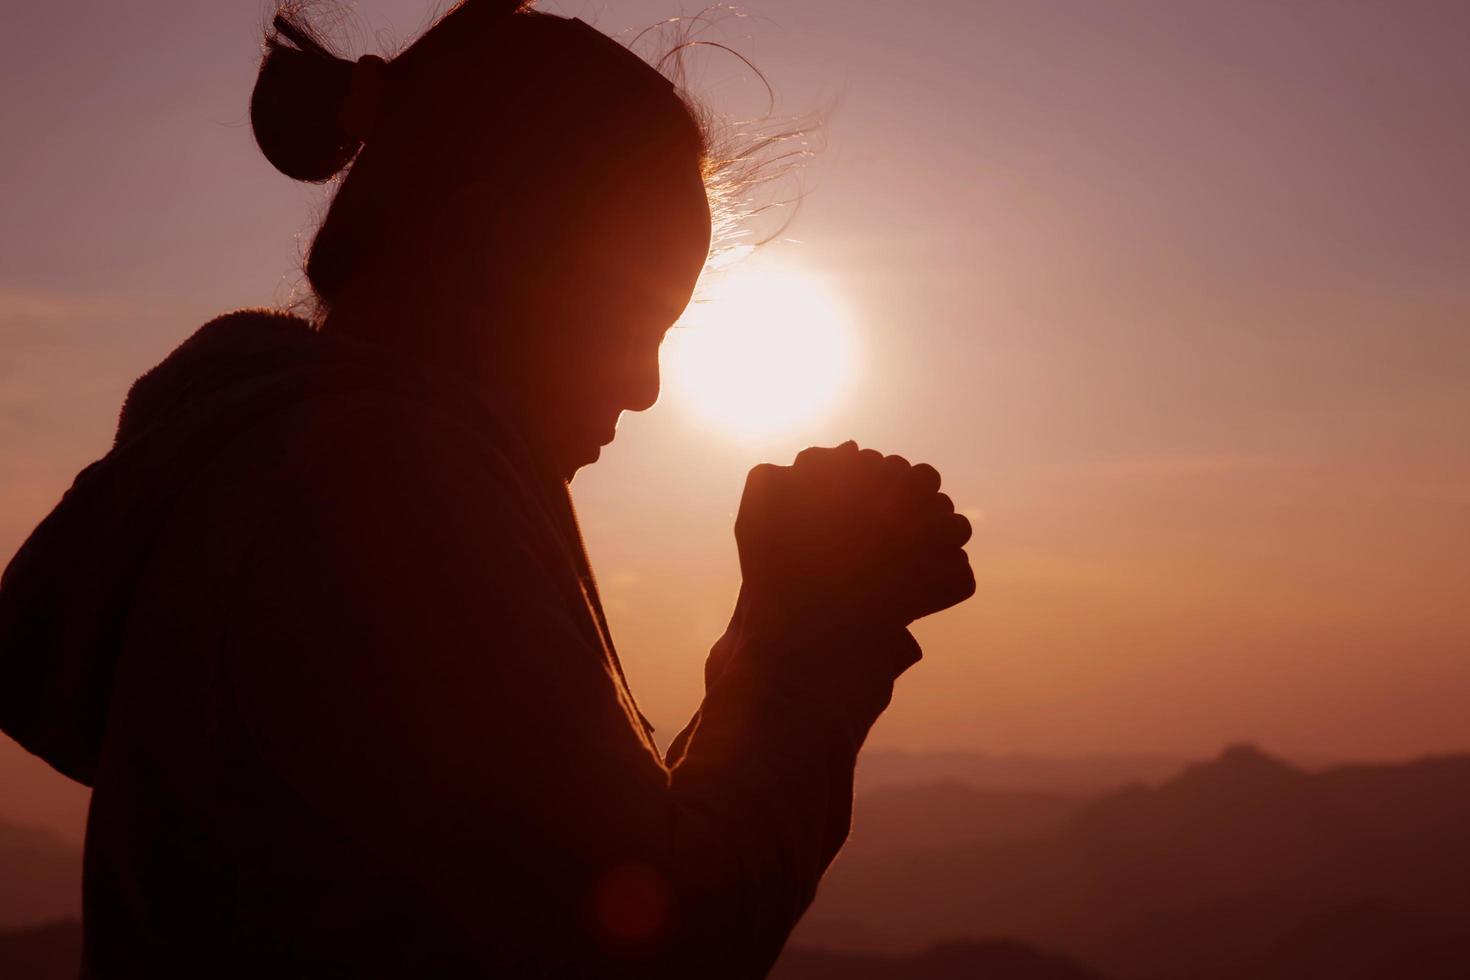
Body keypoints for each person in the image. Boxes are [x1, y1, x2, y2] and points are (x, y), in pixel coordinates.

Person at [0, 2, 975, 976]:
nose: (644, 386)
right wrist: (810, 631)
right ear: (495, 242)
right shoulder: (371, 493)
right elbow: (659, 938)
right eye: (631, 315)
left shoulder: (280, 470)